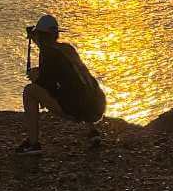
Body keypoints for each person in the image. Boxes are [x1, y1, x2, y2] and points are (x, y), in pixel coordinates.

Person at [17, 13, 106, 155]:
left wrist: (37, 78)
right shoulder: (67, 49)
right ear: (55, 35)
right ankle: (93, 131)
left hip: (76, 109)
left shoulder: (49, 54)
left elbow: (49, 87)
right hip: (96, 107)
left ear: (40, 36)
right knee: (79, 87)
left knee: (29, 91)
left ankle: (33, 144)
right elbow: (67, 75)